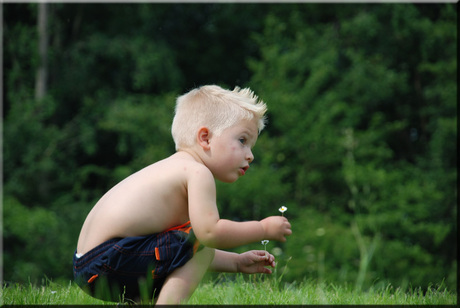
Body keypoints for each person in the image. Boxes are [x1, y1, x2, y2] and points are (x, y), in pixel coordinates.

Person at [73, 85, 292, 304]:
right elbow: (208, 234)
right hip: (107, 262)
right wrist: (263, 228)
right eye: (243, 141)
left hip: (91, 265)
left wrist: (236, 262)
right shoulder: (197, 173)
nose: (250, 155)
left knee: (187, 242)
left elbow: (185, 251)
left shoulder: (173, 169)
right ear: (205, 138)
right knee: (193, 239)